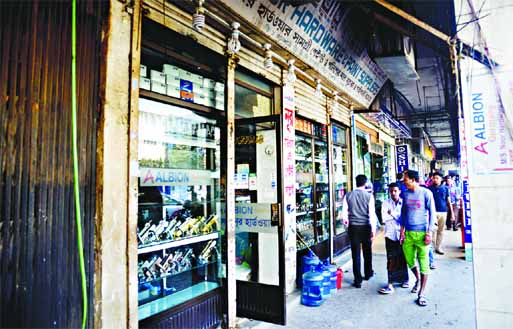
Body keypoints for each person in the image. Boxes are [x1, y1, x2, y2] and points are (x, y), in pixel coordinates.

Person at [400, 170, 436, 307]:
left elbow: (432, 213)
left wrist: (429, 233)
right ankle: (418, 278)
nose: (404, 181)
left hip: (422, 234)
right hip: (408, 233)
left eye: (406, 179)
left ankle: (422, 293)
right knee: (409, 260)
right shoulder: (405, 193)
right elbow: (403, 213)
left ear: (414, 180)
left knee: (424, 263)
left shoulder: (426, 193)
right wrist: (402, 231)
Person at [342, 174, 378, 288]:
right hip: (366, 227)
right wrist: (373, 229)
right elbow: (372, 215)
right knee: (367, 252)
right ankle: (368, 274)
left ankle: (357, 280)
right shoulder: (369, 196)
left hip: (354, 228)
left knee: (355, 254)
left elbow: (344, 215)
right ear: (365, 183)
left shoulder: (348, 195)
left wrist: (347, 227)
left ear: (355, 182)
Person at [378, 183, 409, 294]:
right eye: (391, 191)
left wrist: (393, 214)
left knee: (403, 257)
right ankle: (390, 282)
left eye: (395, 191)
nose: (393, 193)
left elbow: (405, 219)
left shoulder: (404, 203)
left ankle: (405, 279)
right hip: (390, 235)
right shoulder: (385, 203)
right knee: (391, 259)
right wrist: (397, 216)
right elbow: (385, 218)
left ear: (399, 191)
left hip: (402, 234)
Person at [428, 172, 453, 255]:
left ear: (441, 179)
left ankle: (438, 247)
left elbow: (448, 201)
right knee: (432, 230)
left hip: (443, 212)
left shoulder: (445, 188)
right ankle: (431, 247)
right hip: (432, 212)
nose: (435, 179)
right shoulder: (429, 189)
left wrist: (452, 213)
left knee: (441, 231)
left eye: (437, 178)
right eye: (434, 178)